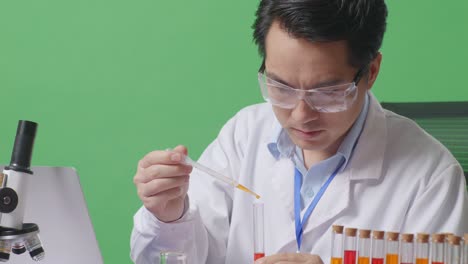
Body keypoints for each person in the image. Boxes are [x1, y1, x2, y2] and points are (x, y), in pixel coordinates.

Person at [130, 0, 468, 263]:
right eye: (281, 86)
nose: (301, 114)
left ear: (371, 71)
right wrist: (170, 217)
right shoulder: (244, 135)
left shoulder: (431, 178)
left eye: (327, 92)